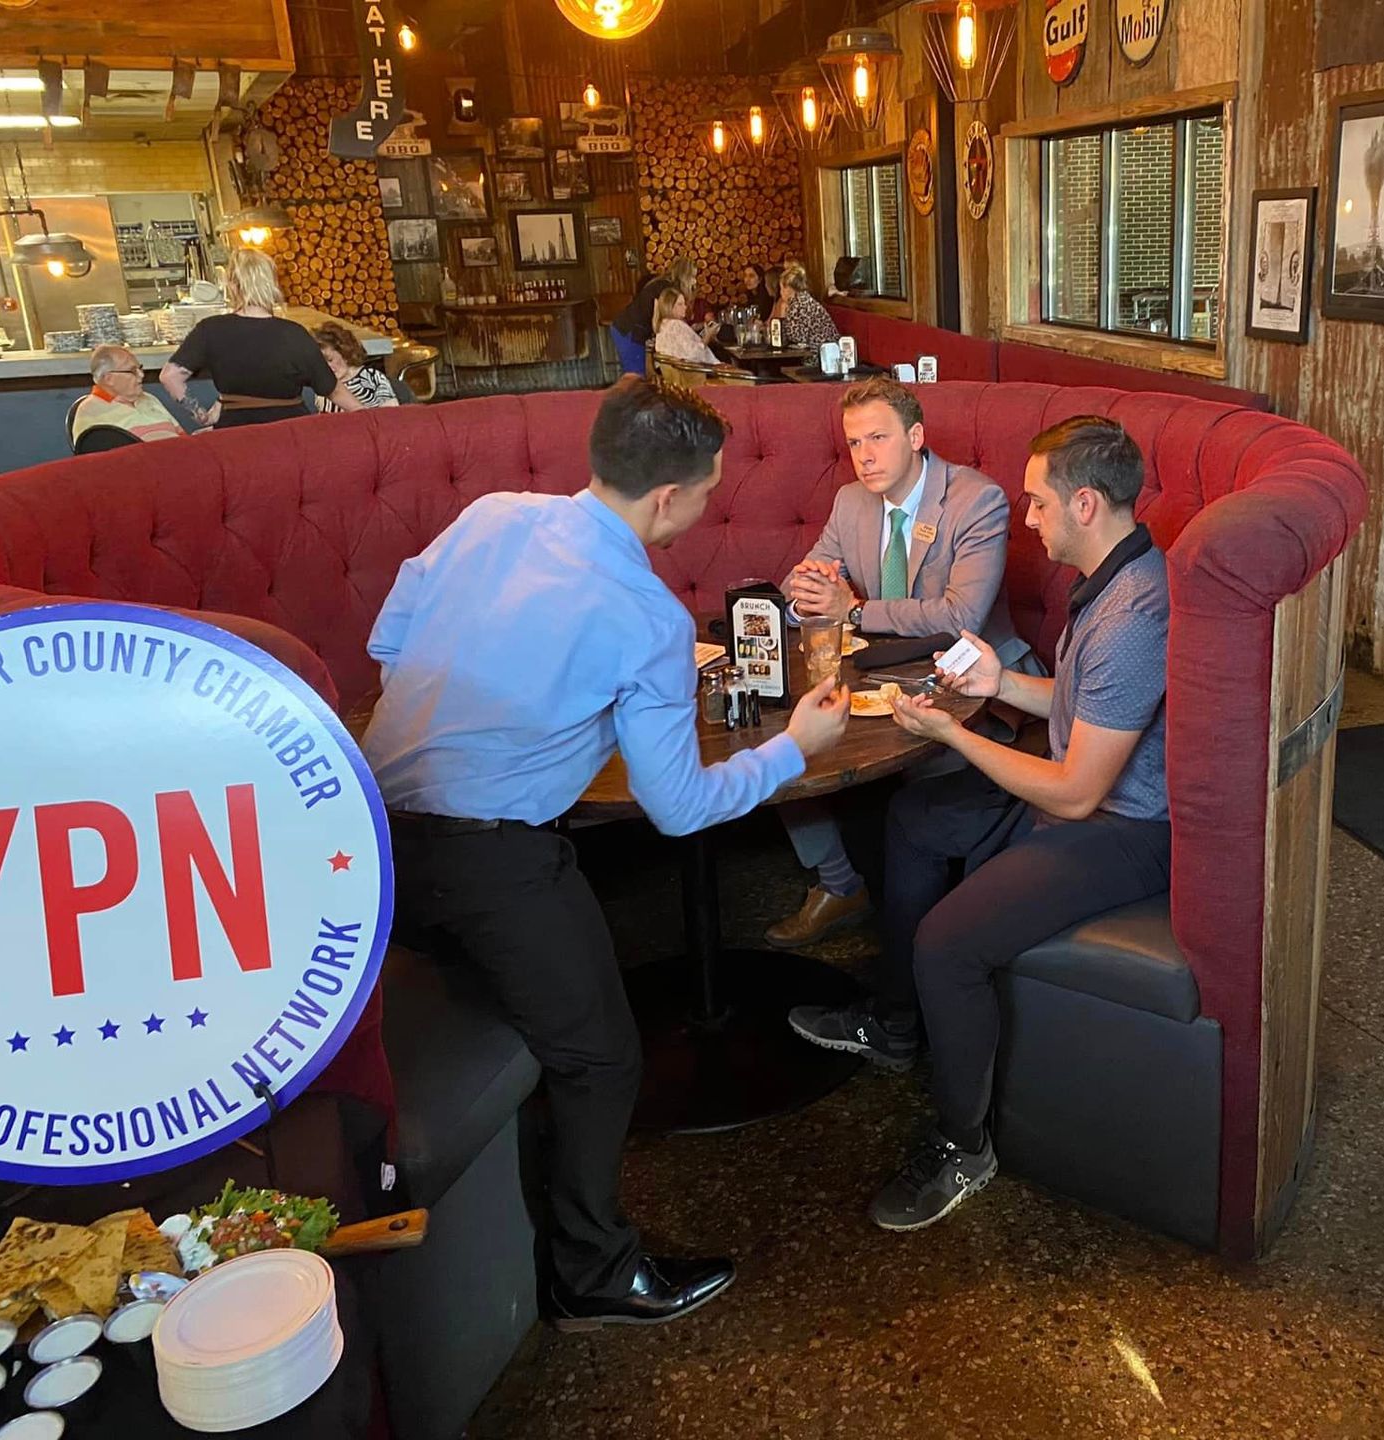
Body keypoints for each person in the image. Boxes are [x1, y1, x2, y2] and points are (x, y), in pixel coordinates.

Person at [361, 377, 852, 1327]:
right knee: (601, 1056)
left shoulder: (491, 514)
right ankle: (590, 1275)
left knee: (540, 1012)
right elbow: (678, 809)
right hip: (488, 861)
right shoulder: (649, 617)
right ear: (667, 498)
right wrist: (796, 748)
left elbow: (389, 638)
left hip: (369, 836)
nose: (709, 506)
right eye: (708, 491)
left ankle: (517, 1229)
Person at [790, 415, 1171, 1231]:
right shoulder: (1111, 575)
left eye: (1038, 505)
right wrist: (997, 681)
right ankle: (896, 1026)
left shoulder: (1135, 615)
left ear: (1086, 506)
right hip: (1088, 793)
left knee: (948, 942)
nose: (1026, 519)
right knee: (917, 818)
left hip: (1127, 831)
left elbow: (1075, 793)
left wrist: (953, 731)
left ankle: (966, 1145)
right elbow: (1076, 709)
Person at [767, 376, 1031, 947]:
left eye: (878, 439)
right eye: (854, 443)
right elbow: (804, 577)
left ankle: (922, 935)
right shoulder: (850, 501)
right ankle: (840, 885)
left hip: (970, 678)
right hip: (880, 670)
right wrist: (805, 595)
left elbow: (962, 614)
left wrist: (855, 611)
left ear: (915, 436)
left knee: (906, 791)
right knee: (785, 745)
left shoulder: (975, 498)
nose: (864, 457)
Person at [160, 249, 362, 427]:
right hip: (290, 433)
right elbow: (332, 390)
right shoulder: (294, 333)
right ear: (273, 284)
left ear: (231, 285)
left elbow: (170, 376)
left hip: (235, 434)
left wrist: (200, 415)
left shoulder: (209, 329)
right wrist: (367, 416)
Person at [71, 345, 185, 449]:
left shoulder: (149, 398)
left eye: (140, 368)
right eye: (132, 371)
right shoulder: (90, 411)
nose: (141, 375)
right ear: (109, 379)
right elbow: (100, 464)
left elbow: (182, 436)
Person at [612, 257, 698, 377]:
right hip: (630, 330)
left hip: (629, 328)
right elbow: (658, 317)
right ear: (685, 275)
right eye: (693, 277)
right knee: (636, 376)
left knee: (637, 376)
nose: (694, 282)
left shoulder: (664, 284)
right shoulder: (665, 289)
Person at [313, 320, 399, 412]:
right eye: (322, 362)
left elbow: (392, 415)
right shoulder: (322, 385)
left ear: (345, 353)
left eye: (330, 360)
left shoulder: (373, 378)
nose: (327, 367)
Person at [772, 262, 837, 351]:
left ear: (789, 288)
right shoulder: (804, 299)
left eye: (782, 288)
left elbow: (793, 337)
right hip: (826, 350)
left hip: (818, 355)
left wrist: (783, 313)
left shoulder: (797, 305)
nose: (781, 292)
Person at [652, 288, 721, 366]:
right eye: (680, 304)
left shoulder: (662, 325)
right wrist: (707, 337)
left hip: (675, 373)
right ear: (670, 306)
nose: (685, 307)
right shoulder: (676, 325)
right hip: (694, 373)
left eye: (684, 304)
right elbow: (694, 355)